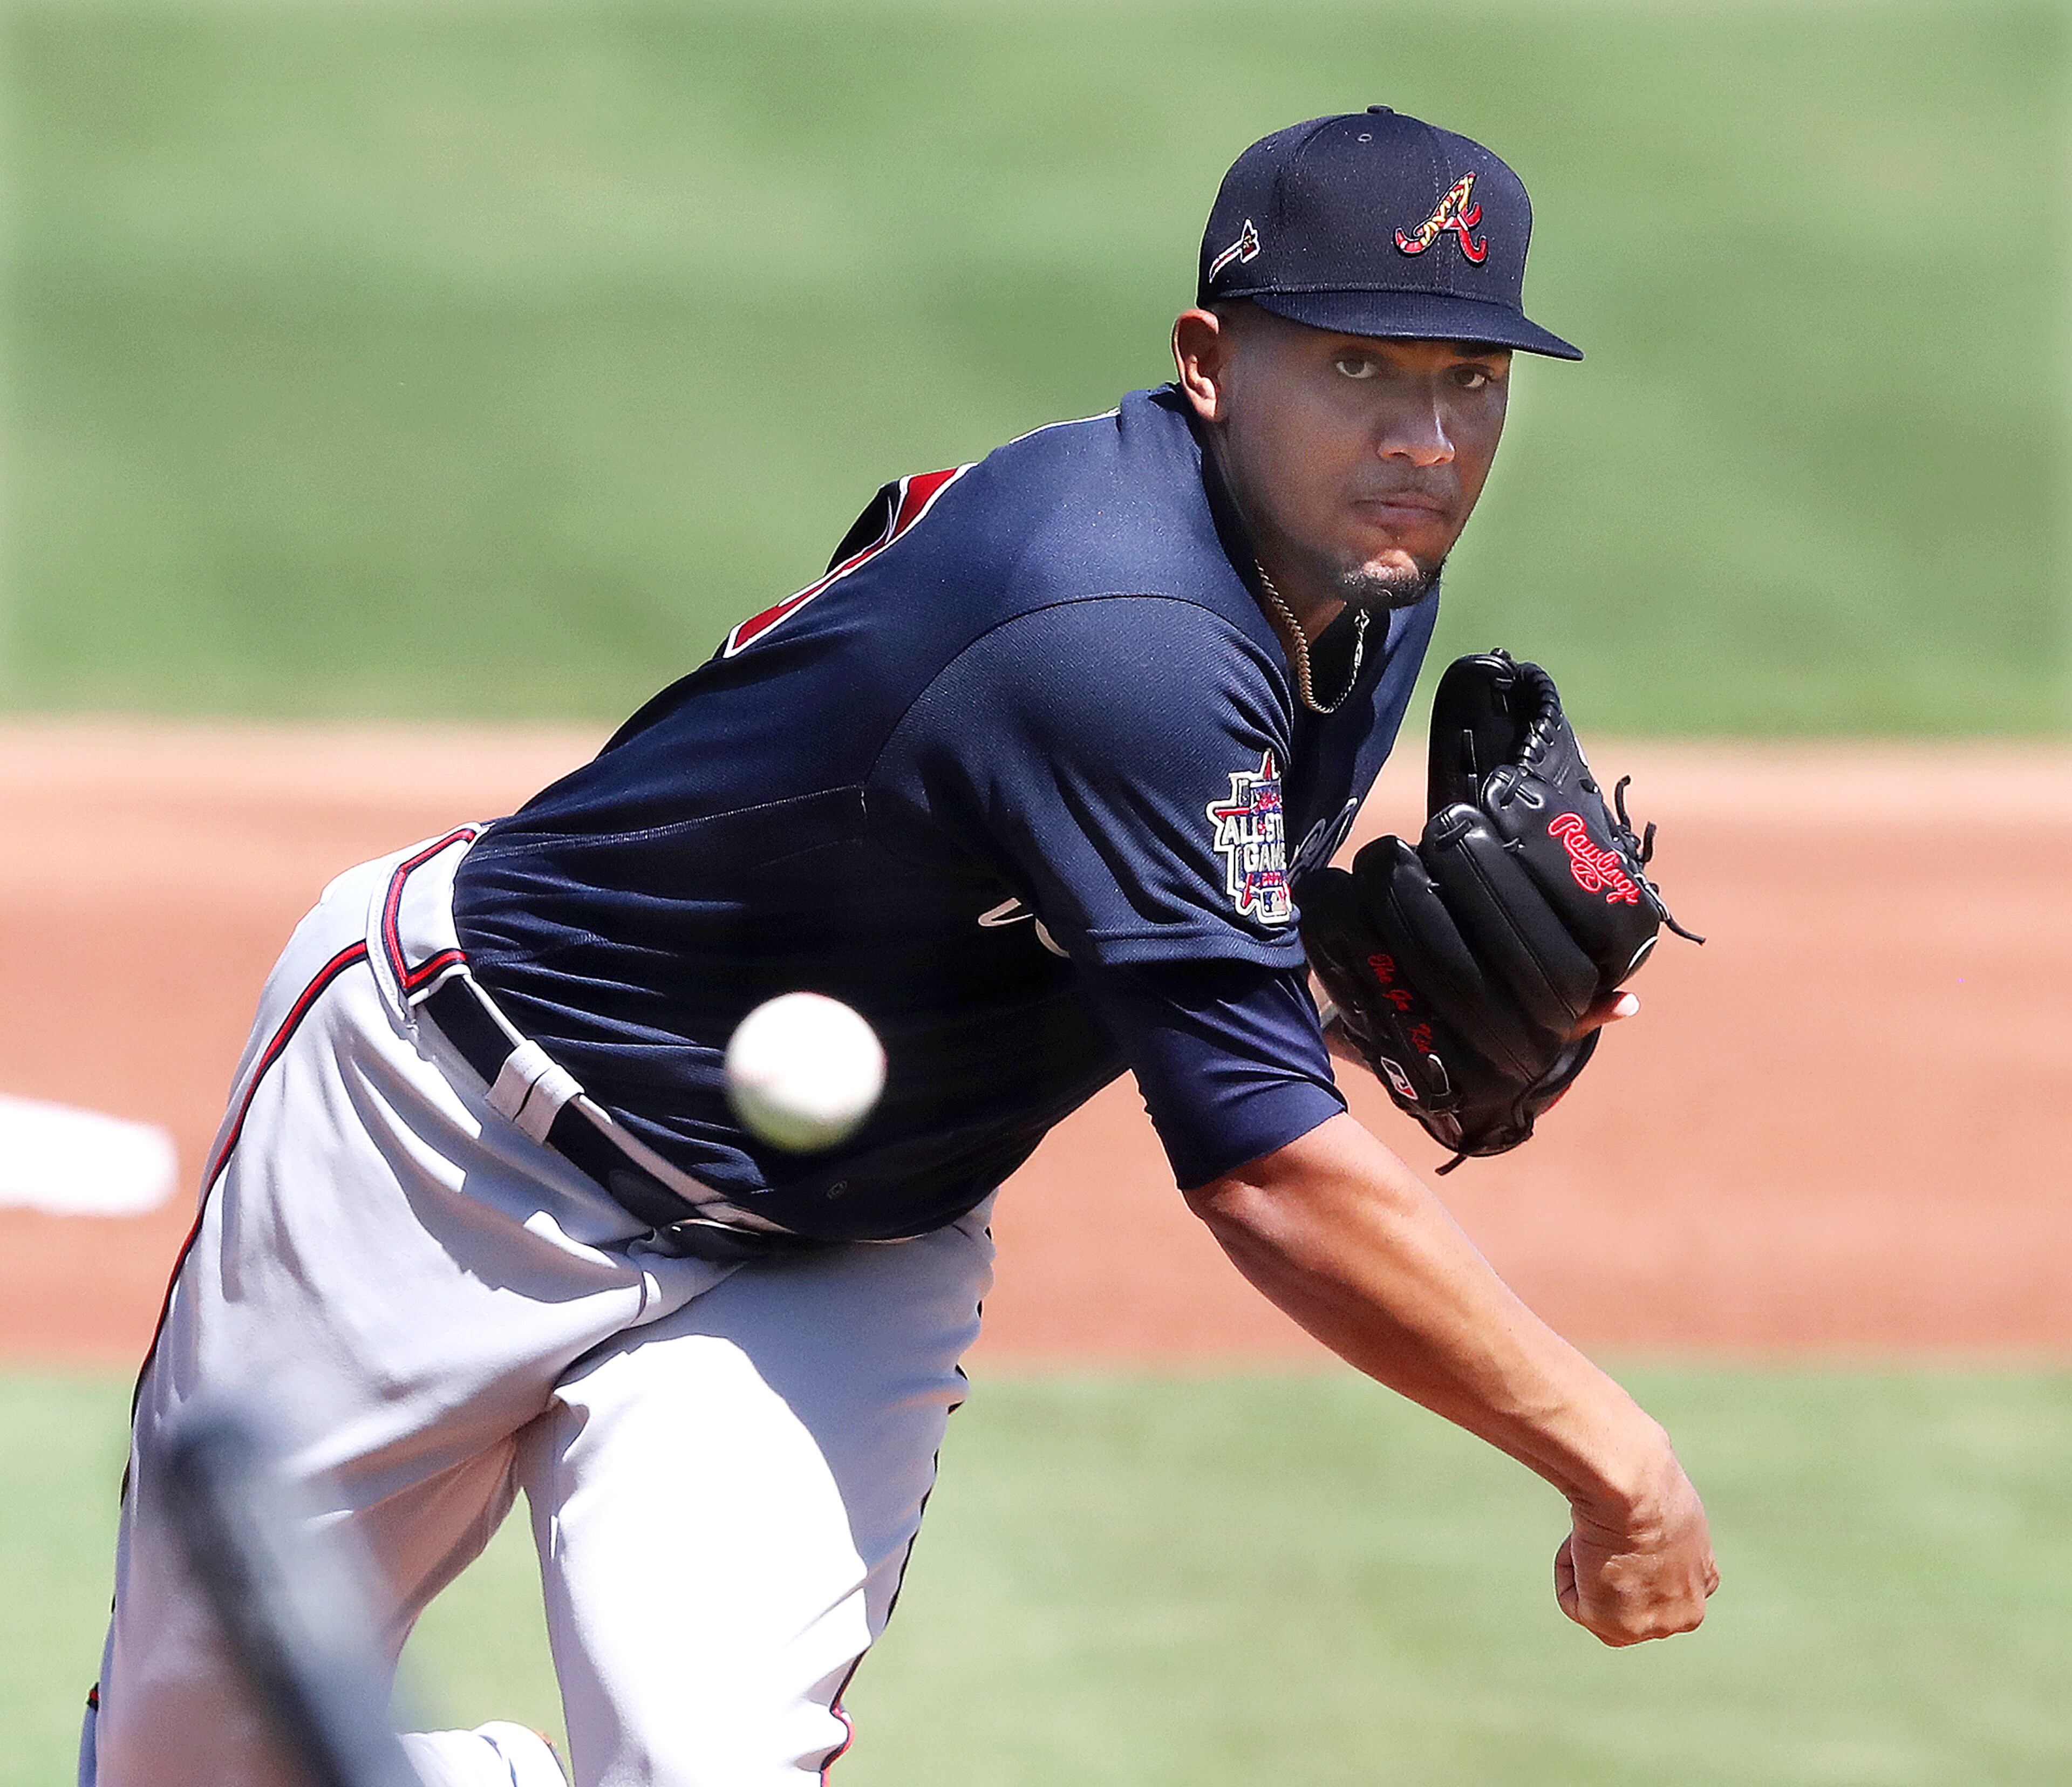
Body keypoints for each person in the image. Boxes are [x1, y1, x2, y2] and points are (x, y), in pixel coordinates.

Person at [82, 107, 1716, 1787]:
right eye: (1363, 367)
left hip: (835, 1247)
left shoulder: (1361, 580)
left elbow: (1101, 900)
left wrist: (1309, 982)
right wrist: (1615, 1456)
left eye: (1471, 381)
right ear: (1211, 361)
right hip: (445, 1140)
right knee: (183, 1772)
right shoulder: (1117, 624)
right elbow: (1266, 1173)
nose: (1427, 440)